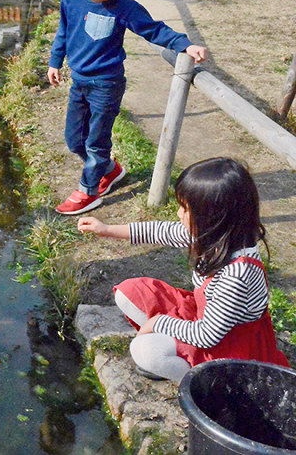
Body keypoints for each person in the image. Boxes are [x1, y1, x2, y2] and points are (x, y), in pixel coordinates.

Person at [77, 157, 289, 382]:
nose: (178, 214)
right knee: (128, 292)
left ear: (214, 217)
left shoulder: (237, 275)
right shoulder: (214, 236)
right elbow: (161, 231)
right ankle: (176, 358)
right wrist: (107, 229)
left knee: (145, 350)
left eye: (185, 208)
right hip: (203, 317)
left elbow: (207, 335)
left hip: (230, 347)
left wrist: (157, 323)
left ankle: (202, 383)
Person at [48, 0, 208, 215]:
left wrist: (184, 44)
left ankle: (89, 191)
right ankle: (110, 170)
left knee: (96, 141)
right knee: (75, 140)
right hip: (80, 81)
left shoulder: (123, 6)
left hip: (107, 84)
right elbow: (64, 30)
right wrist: (54, 62)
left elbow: (153, 29)